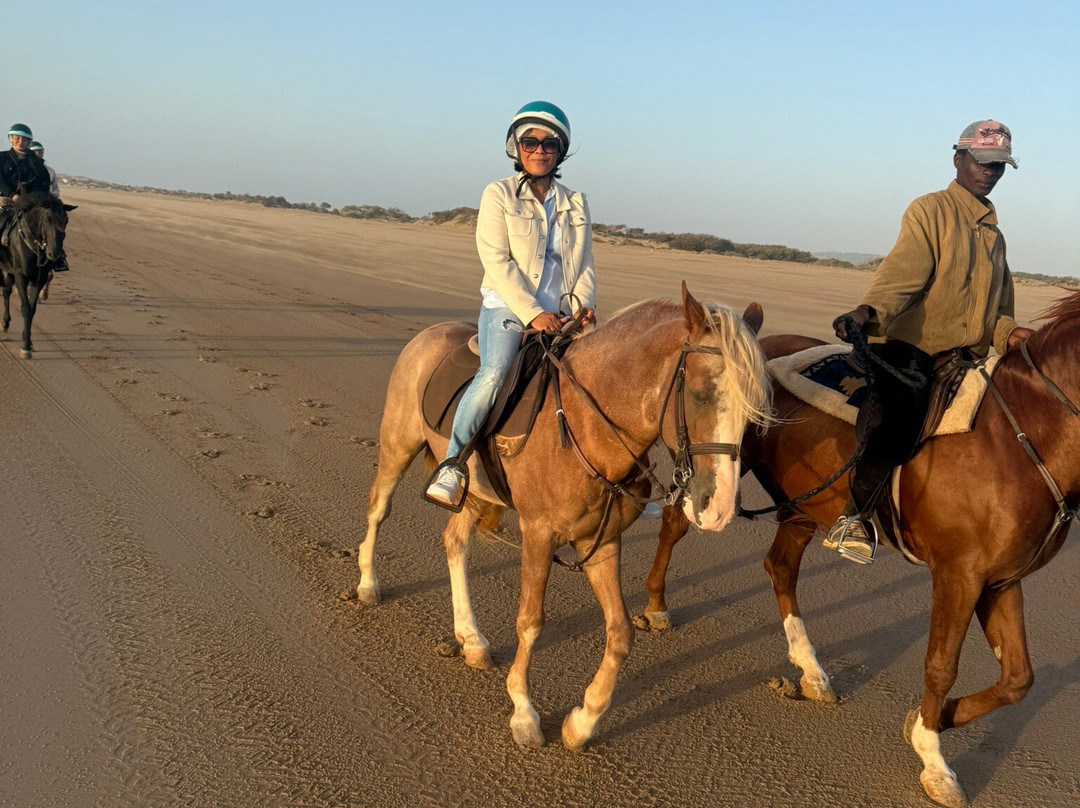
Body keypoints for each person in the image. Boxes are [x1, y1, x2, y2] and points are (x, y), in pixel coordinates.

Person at [827, 119, 1035, 563]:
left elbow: (998, 312)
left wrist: (1012, 333)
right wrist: (869, 312)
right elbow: (902, 276)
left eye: (999, 167)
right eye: (982, 163)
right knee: (901, 418)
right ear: (958, 158)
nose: (990, 173)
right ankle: (854, 517)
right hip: (916, 348)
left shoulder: (995, 238)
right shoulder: (930, 211)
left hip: (970, 357)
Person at [425, 101, 597, 505]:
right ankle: (452, 464)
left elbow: (584, 261)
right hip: (507, 307)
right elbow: (496, 260)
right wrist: (532, 313)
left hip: (562, 315)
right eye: (529, 141)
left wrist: (583, 306)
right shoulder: (498, 193)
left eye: (549, 143)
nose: (539, 150)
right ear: (515, 148)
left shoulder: (576, 202)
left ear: (561, 150)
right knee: (495, 372)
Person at [0, 123, 52, 237]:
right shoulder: (2, 158)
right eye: (17, 138)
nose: (20, 142)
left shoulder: (36, 163)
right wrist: (12, 195)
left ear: (29, 142)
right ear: (11, 139)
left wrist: (32, 198)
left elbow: (43, 183)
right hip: (5, 199)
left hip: (29, 202)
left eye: (24, 140)